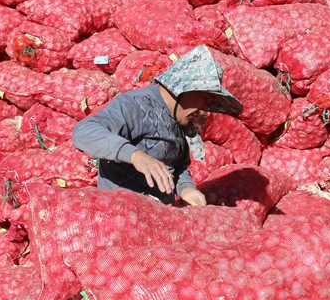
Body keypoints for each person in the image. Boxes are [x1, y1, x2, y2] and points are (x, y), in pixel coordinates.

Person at [72, 44, 242, 205]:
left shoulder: (180, 117)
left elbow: (177, 166)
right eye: (204, 99)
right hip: (120, 212)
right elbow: (84, 131)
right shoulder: (133, 105)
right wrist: (136, 156)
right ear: (185, 88)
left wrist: (186, 189)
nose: (204, 110)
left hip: (157, 216)